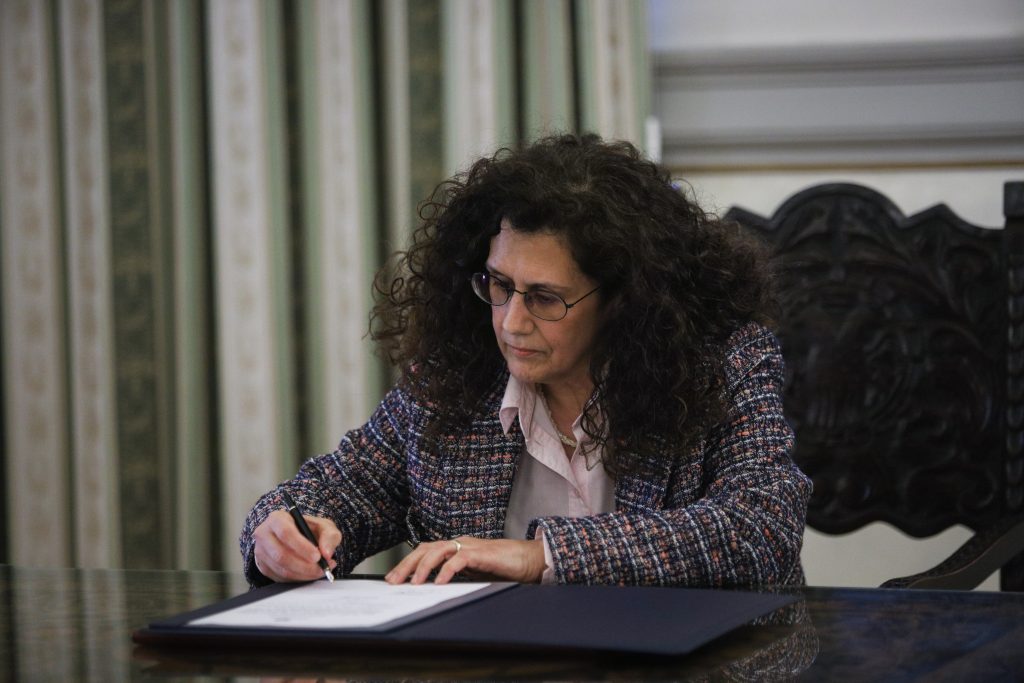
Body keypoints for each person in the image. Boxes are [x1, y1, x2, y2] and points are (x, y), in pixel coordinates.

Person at [240, 133, 812, 588]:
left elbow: (762, 526)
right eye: (499, 285)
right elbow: (339, 489)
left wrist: (541, 556)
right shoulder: (457, 376)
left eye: (544, 298)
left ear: (623, 301)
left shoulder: (722, 363)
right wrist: (282, 534)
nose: (511, 322)